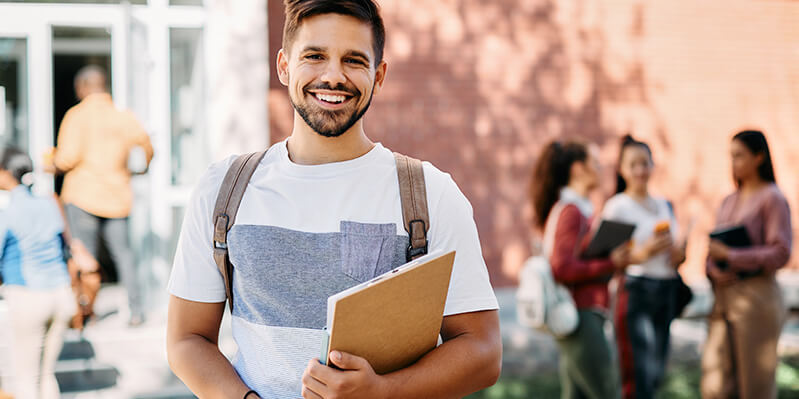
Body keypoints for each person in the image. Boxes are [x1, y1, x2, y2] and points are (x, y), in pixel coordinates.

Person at [166, 1, 502, 398]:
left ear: (378, 76)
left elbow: (482, 351)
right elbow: (187, 340)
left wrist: (382, 392)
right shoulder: (223, 188)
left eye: (354, 60)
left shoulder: (430, 194)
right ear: (284, 65)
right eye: (315, 56)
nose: (333, 75)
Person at [49, 65, 154, 326]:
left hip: (83, 196)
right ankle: (137, 311)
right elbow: (147, 146)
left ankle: (86, 314)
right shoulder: (123, 116)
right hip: (117, 197)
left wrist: (49, 162)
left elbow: (67, 158)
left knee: (85, 257)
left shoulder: (77, 116)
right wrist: (139, 169)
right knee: (124, 255)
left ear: (81, 88)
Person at [530, 140, 629, 399]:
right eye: (594, 163)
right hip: (581, 317)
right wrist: (612, 263)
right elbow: (561, 268)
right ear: (577, 169)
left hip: (580, 316)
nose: (600, 169)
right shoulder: (572, 212)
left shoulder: (576, 209)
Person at [701, 130, 792, 399]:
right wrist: (712, 268)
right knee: (716, 386)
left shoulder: (772, 198)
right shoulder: (729, 200)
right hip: (724, 300)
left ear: (759, 157)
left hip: (757, 300)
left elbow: (781, 252)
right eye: (731, 157)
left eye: (739, 156)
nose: (734, 163)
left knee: (755, 387)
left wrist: (731, 256)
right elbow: (714, 248)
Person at [601, 135, 687, 399]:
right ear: (622, 169)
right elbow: (608, 257)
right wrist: (644, 252)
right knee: (637, 377)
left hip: (667, 289)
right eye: (633, 164)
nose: (640, 170)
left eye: (645, 163)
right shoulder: (617, 207)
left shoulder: (665, 204)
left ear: (652, 165)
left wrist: (678, 253)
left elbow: (678, 257)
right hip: (636, 291)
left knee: (656, 373)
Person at [0, 147, 75, 399]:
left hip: (28, 297)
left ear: (6, 174)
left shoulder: (7, 214)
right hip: (61, 296)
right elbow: (66, 246)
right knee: (45, 377)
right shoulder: (49, 204)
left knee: (25, 380)